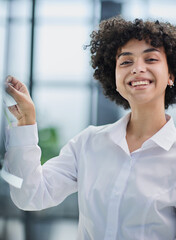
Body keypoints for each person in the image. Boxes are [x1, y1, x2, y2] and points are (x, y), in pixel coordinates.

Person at [4, 16, 176, 240]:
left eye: (151, 59)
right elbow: (30, 195)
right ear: (113, 77)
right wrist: (26, 123)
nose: (137, 69)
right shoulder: (88, 143)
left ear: (171, 74)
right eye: (125, 62)